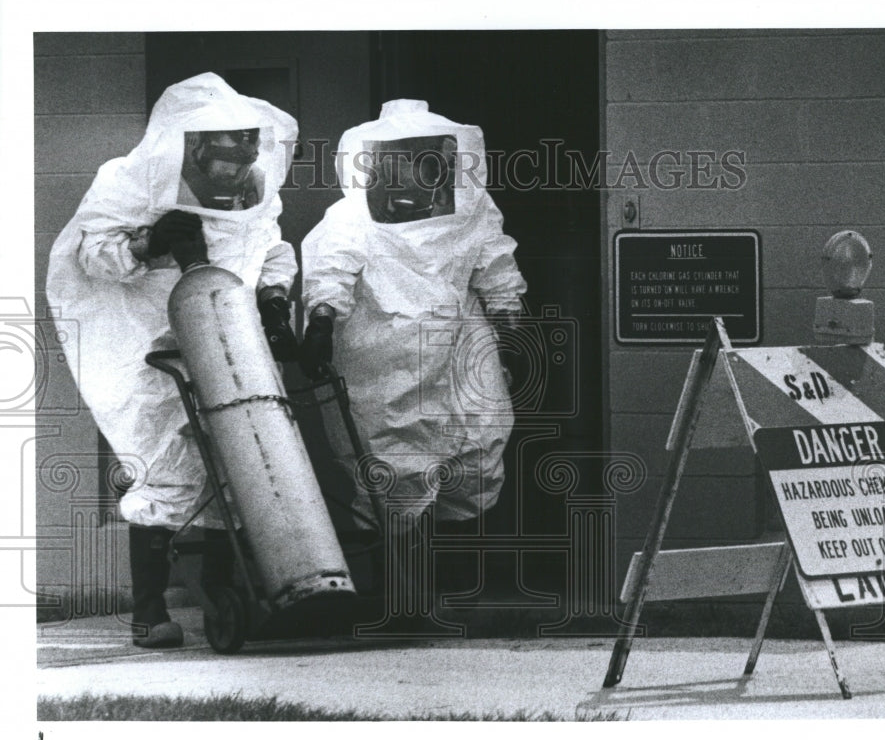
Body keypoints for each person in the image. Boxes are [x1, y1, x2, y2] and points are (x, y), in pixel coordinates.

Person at [46, 73, 299, 647]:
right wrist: (148, 243)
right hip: (153, 349)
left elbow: (271, 249)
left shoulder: (255, 189)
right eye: (224, 147)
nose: (236, 161)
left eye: (246, 145)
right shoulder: (128, 179)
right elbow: (91, 256)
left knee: (241, 466)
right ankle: (149, 611)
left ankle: (223, 597)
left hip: (232, 342)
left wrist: (275, 303)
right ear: (192, 143)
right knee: (162, 469)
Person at [299, 100, 527, 603]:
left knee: (477, 449)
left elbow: (497, 271)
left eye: (425, 159)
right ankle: (398, 595)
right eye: (402, 159)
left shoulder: (471, 208)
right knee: (394, 465)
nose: (413, 172)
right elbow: (330, 271)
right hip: (384, 351)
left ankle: (453, 588)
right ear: (378, 162)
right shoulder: (350, 217)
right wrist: (321, 321)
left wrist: (510, 335)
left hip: (458, 344)